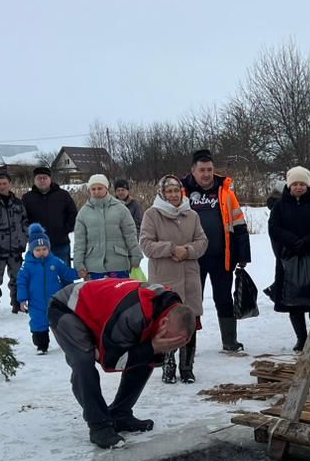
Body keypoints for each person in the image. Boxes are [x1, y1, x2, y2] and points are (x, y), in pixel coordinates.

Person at [49, 278, 196, 449]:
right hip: (68, 308)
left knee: (145, 353)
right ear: (164, 323)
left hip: (103, 310)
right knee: (83, 362)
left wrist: (153, 349)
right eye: (172, 343)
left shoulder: (171, 309)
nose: (170, 348)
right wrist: (152, 347)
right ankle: (99, 426)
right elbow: (111, 360)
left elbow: (147, 357)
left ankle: (120, 414)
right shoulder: (133, 314)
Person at [181, 149, 252, 353]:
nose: (206, 174)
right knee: (192, 301)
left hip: (223, 255)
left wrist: (243, 254)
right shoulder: (182, 192)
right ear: (193, 171)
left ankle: (230, 340)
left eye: (209, 169)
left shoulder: (225, 192)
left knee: (224, 298)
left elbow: (239, 223)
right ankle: (188, 345)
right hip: (193, 258)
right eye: (202, 170)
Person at [139, 174, 208, 383]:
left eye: (176, 191)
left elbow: (202, 241)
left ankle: (187, 367)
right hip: (165, 277)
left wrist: (187, 251)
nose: (174, 195)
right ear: (162, 193)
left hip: (189, 276)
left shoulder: (192, 215)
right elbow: (146, 244)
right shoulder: (152, 214)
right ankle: (168, 366)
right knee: (167, 323)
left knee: (190, 322)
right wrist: (170, 249)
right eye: (169, 191)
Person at [268, 166, 310, 352]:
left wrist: (307, 241)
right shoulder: (280, 205)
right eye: (295, 184)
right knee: (294, 302)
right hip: (289, 258)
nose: (299, 187)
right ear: (289, 185)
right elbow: (274, 228)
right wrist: (292, 241)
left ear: (308, 186)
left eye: (302, 184)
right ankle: (301, 338)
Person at [15, 223, 79, 354]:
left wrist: (79, 273)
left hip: (54, 300)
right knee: (39, 323)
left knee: (60, 322)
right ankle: (41, 345)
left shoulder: (55, 261)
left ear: (49, 248)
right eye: (37, 250)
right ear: (31, 251)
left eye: (44, 249)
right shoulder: (26, 266)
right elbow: (21, 282)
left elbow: (66, 273)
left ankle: (66, 342)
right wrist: (22, 300)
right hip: (36, 303)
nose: (41, 252)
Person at [73, 173, 142, 280]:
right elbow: (79, 241)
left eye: (100, 188)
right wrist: (79, 263)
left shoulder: (121, 209)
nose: (96, 192)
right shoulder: (83, 212)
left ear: (106, 188)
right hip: (93, 266)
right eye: (93, 189)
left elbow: (130, 235)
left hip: (118, 264)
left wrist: (135, 256)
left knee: (120, 296)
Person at [0, 169, 29, 320]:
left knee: (17, 279)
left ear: (10, 184)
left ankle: (17, 304)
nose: (2, 186)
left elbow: (25, 222)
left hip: (15, 249)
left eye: (4, 183)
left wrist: (24, 238)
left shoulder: (18, 203)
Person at [22, 166, 78, 264]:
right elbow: (22, 219)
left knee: (64, 275)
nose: (42, 180)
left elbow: (73, 214)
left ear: (50, 179)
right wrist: (30, 233)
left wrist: (65, 230)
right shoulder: (27, 198)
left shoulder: (63, 195)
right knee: (38, 276)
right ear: (34, 180)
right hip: (37, 246)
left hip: (60, 244)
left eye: (45, 178)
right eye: (39, 178)